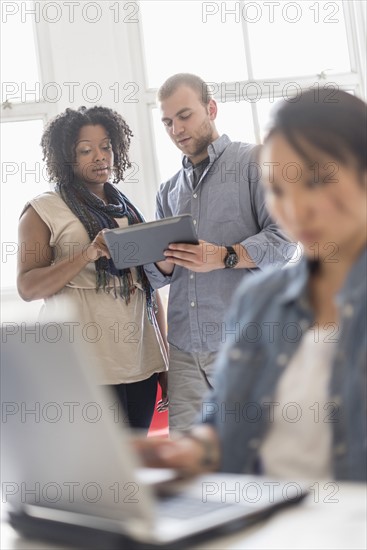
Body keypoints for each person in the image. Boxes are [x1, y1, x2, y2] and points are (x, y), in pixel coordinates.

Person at [135, 88, 367, 481]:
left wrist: (226, 255)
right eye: (278, 189)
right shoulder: (261, 302)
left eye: (314, 180)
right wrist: (176, 452)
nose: (296, 209)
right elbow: (225, 430)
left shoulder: (241, 162)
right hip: (269, 524)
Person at [144, 73, 291, 432]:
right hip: (183, 351)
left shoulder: (254, 162)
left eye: (184, 115)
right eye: (167, 122)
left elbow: (285, 241)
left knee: (252, 463)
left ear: (211, 108)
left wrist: (225, 255)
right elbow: (157, 277)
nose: (176, 129)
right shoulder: (168, 191)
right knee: (188, 468)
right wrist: (160, 260)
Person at [17, 105, 168, 433]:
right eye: (85, 150)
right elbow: (28, 289)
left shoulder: (127, 209)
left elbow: (147, 290)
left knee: (137, 472)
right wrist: (87, 253)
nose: (100, 157)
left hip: (140, 363)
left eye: (106, 147)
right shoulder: (43, 210)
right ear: (65, 157)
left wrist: (165, 363)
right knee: (96, 477)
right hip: (84, 367)